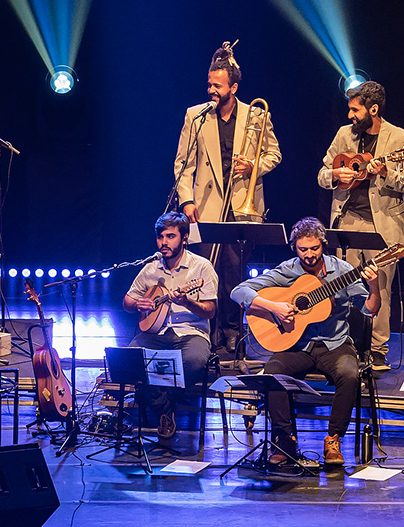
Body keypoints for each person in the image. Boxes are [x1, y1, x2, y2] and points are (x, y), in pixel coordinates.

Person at [232, 217, 382, 470]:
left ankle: (333, 438)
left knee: (349, 373)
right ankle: (284, 439)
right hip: (298, 345)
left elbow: (369, 310)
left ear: (323, 245)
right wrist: (275, 307)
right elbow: (239, 291)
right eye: (303, 249)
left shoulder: (343, 270)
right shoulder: (288, 270)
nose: (309, 255)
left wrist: (374, 285)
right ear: (295, 248)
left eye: (315, 248)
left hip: (334, 344)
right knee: (272, 373)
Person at [172, 41, 281, 357]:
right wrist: (186, 201)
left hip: (241, 209)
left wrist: (254, 166)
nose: (211, 91)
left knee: (234, 271)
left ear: (233, 87)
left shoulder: (256, 115)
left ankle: (233, 333)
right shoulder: (196, 115)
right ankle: (208, 332)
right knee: (207, 271)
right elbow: (183, 163)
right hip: (204, 208)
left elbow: (274, 152)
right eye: (209, 84)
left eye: (217, 86)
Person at [317, 80, 404, 371]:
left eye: (355, 109)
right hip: (346, 221)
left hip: (382, 226)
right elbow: (322, 174)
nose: (350, 115)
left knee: (379, 289)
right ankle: (344, 344)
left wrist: (386, 172)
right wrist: (336, 175)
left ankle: (377, 350)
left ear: (373, 109)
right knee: (343, 287)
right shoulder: (343, 135)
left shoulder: (399, 138)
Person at [122, 212, 219, 442]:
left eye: (171, 236)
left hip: (190, 333)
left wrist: (187, 301)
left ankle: (157, 400)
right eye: (160, 237)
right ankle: (166, 408)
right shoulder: (150, 268)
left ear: (184, 238)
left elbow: (210, 311)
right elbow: (126, 302)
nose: (164, 242)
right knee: (129, 360)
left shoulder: (202, 268)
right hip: (156, 332)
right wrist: (139, 303)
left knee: (194, 361)